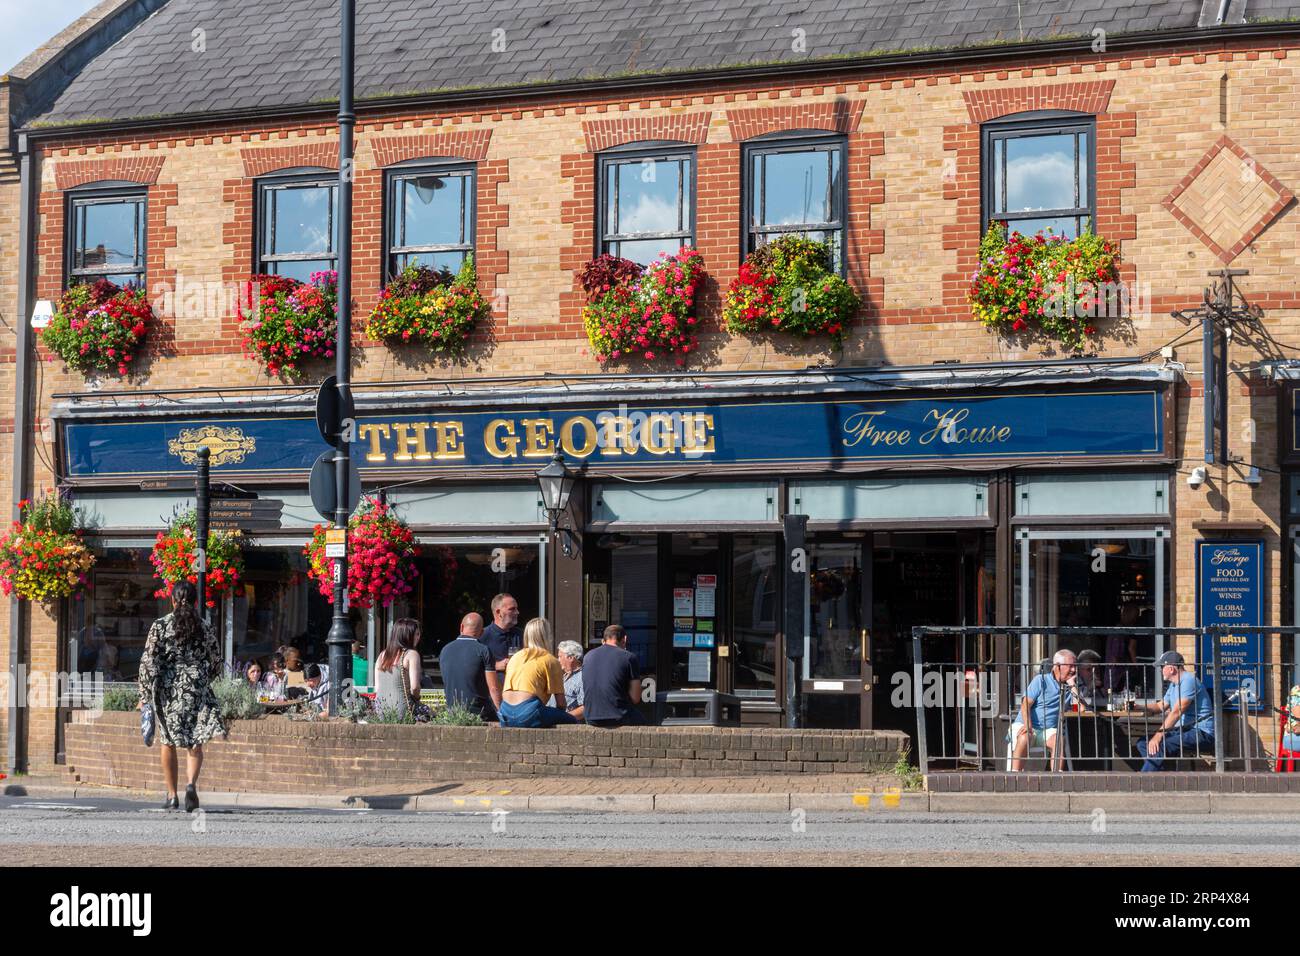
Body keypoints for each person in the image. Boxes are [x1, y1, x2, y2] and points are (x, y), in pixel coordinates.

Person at [137, 580, 225, 813]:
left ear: (172, 600)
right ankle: (190, 785)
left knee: (168, 742)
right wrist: (203, 679)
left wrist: (145, 695)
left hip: (169, 690)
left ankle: (172, 795)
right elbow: (216, 661)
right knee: (194, 741)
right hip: (196, 687)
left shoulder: (160, 626)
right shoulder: (204, 627)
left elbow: (148, 663)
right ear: (196, 601)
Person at [1135, 651, 1215, 772]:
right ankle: (1159, 778)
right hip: (1183, 730)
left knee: (1160, 745)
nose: (1160, 670)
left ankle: (1143, 780)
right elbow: (1160, 706)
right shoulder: (1174, 685)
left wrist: (1158, 736)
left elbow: (1177, 712)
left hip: (1201, 732)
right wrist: (1138, 707)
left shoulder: (1188, 680)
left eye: (1162, 667)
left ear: (1171, 668)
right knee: (1143, 743)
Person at [499, 618, 576, 728]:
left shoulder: (515, 657)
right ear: (547, 636)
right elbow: (561, 703)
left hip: (505, 714)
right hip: (529, 712)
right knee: (571, 720)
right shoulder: (550, 660)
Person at [1009, 649, 1077, 771]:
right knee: (1025, 737)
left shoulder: (1070, 686)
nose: (1074, 670)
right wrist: (1028, 724)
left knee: (1058, 739)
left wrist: (1072, 686)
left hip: (1048, 730)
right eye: (1070, 666)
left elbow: (1080, 709)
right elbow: (1025, 704)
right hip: (1026, 724)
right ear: (1057, 667)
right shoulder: (1040, 680)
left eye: (1075, 666)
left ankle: (1057, 778)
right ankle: (1014, 776)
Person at [438, 612, 500, 721]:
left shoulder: (444, 650)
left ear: (461, 627)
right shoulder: (483, 650)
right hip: (479, 713)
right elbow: (493, 688)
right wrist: (501, 713)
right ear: (482, 632)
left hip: (452, 713)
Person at [582, 624, 646, 728]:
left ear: (604, 640)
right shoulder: (629, 657)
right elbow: (635, 698)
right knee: (644, 723)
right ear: (624, 639)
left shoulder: (588, 656)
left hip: (590, 716)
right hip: (618, 716)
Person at [374, 618, 423, 721]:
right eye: (416, 634)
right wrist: (417, 700)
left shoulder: (382, 655)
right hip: (403, 709)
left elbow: (377, 688)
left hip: (380, 710)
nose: (419, 637)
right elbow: (415, 687)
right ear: (407, 635)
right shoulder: (411, 654)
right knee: (430, 715)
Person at [479, 593, 522, 674]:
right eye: (512, 609)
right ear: (499, 612)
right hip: (494, 686)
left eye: (517, 609)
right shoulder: (483, 636)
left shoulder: (521, 634)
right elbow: (471, 666)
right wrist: (496, 666)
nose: (517, 612)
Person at [557, 640, 585, 720]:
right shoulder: (564, 676)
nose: (558, 660)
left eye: (560, 656)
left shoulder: (581, 677)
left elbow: (585, 708)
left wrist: (562, 718)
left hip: (567, 727)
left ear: (571, 658)